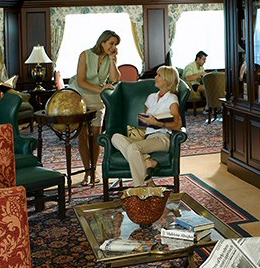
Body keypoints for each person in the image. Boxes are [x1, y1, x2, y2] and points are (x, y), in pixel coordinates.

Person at [110, 65, 182, 187]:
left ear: (167, 79)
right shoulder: (151, 97)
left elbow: (178, 125)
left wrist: (157, 123)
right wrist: (144, 121)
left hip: (162, 138)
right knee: (115, 137)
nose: (155, 77)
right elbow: (146, 120)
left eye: (159, 75)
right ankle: (147, 162)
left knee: (133, 148)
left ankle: (140, 186)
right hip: (148, 136)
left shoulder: (172, 98)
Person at [67, 30, 121, 186]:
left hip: (97, 99)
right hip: (80, 98)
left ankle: (94, 170)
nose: (113, 47)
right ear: (102, 42)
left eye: (116, 44)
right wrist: (101, 89)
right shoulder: (85, 55)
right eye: (111, 43)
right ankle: (87, 172)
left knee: (96, 136)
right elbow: (81, 81)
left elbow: (115, 79)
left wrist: (113, 60)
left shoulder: (111, 57)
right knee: (83, 135)